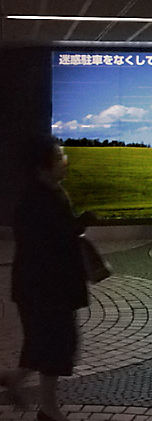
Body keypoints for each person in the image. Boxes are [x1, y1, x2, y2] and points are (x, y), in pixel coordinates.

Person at [0, 135, 90, 421]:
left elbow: (57, 235)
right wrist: (75, 229)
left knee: (47, 344)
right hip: (44, 289)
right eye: (59, 158)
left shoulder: (51, 192)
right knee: (55, 345)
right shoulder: (36, 200)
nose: (65, 162)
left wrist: (77, 224)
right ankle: (47, 408)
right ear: (42, 167)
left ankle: (17, 382)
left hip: (46, 288)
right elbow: (46, 244)